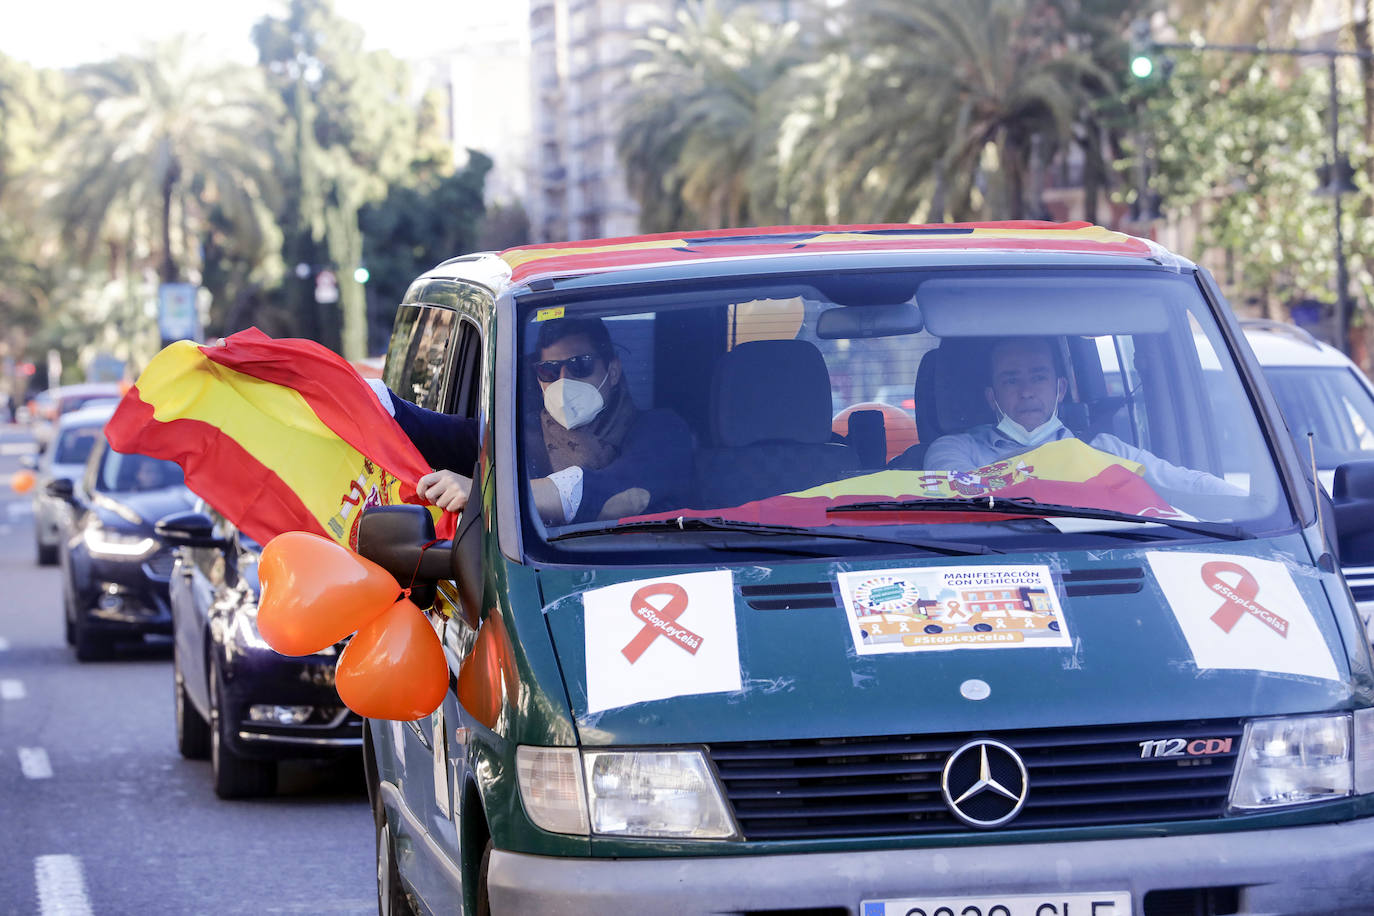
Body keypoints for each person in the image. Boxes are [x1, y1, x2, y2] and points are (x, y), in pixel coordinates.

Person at [370, 316, 694, 524]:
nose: (563, 380)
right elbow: (424, 428)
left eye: (579, 365)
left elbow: (616, 492)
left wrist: (489, 495)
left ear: (612, 371)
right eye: (549, 370)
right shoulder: (516, 436)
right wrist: (356, 393)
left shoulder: (661, 431)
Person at [913, 336, 1242, 497]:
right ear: (991, 396)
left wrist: (1255, 505)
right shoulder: (954, 449)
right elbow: (958, 496)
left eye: (1038, 377)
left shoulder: (1101, 449)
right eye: (1011, 380)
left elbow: (1184, 483)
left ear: (1060, 389)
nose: (1026, 391)